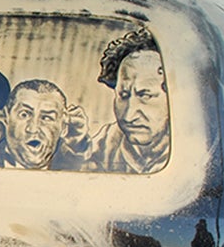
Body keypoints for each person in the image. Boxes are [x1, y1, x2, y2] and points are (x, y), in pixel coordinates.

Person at [60, 28, 170, 174]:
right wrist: (75, 146)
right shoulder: (108, 141)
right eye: (123, 95)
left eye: (145, 96)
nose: (129, 115)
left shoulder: (196, 149)